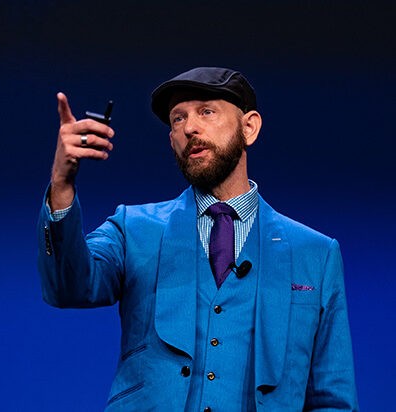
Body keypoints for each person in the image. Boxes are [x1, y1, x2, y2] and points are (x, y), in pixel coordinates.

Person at [38, 67, 358, 411]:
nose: (189, 128)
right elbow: (68, 286)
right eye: (178, 118)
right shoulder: (133, 229)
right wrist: (62, 183)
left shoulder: (316, 254)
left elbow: (333, 399)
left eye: (206, 111)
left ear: (249, 128)